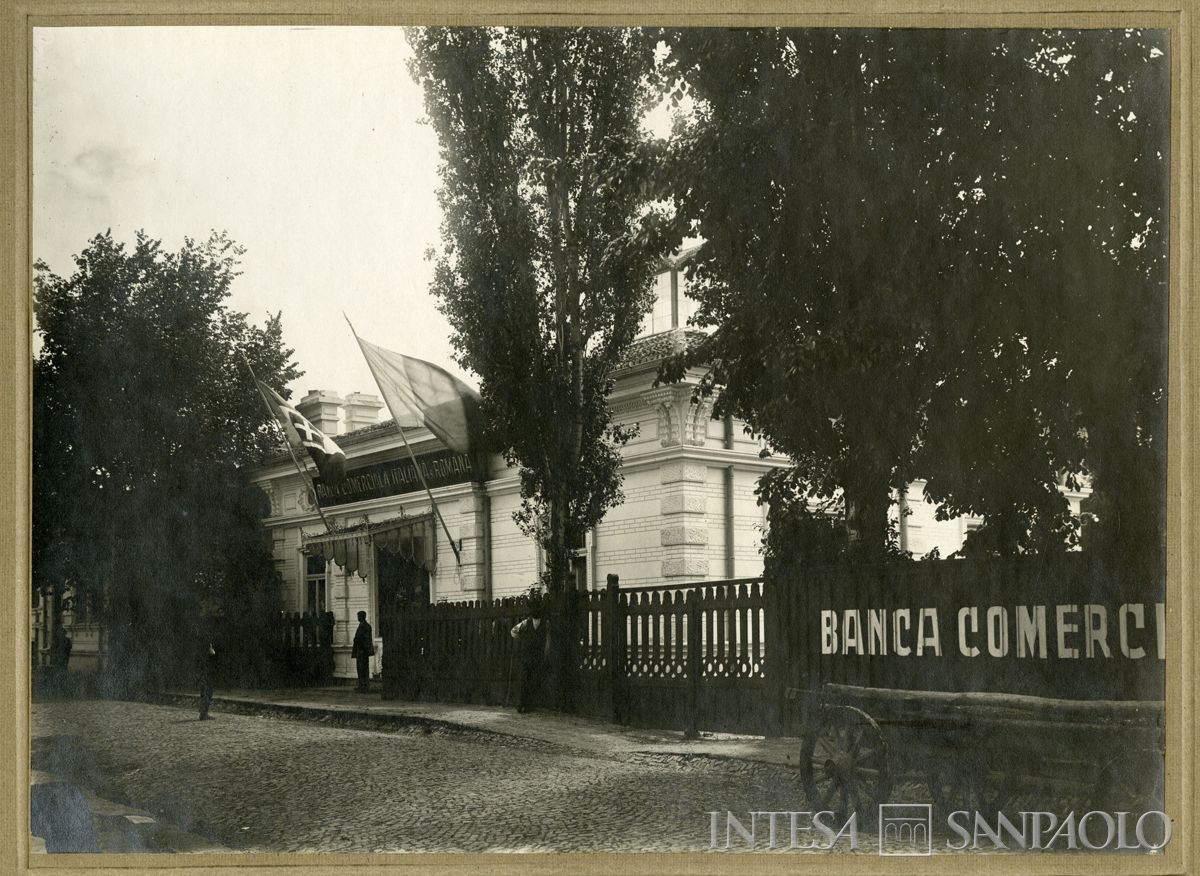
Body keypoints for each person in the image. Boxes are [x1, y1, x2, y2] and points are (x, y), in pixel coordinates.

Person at [510, 592, 548, 713]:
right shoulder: (526, 623)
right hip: (527, 655)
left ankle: (529, 705)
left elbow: (548, 638)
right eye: (533, 609)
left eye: (537, 609)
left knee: (534, 680)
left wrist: (546, 650)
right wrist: (522, 640)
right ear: (531, 611)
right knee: (524, 680)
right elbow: (513, 631)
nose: (535, 612)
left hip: (538, 655)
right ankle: (521, 704)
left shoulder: (545, 623)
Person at [351, 610, 374, 693]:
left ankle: (364, 687)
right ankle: (362, 686)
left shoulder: (365, 626)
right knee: (360, 670)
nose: (358, 618)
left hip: (362, 652)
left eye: (359, 616)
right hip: (360, 652)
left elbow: (365, 640)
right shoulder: (363, 626)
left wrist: (362, 649)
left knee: (363, 670)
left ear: (362, 617)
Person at [198, 640, 217, 720]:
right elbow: (213, 652)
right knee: (206, 693)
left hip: (204, 674)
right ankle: (203, 714)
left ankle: (204, 713)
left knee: (206, 693)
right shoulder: (205, 651)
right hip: (205, 675)